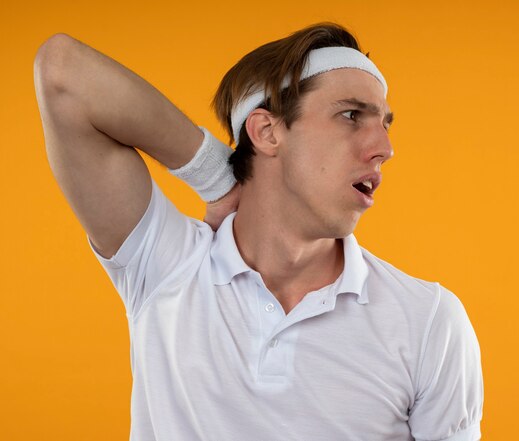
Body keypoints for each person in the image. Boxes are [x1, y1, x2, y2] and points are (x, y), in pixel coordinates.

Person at [34, 22, 483, 441]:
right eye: (351, 116)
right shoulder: (167, 266)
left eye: (384, 123)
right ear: (267, 131)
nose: (384, 148)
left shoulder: (429, 322)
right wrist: (212, 173)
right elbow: (63, 72)